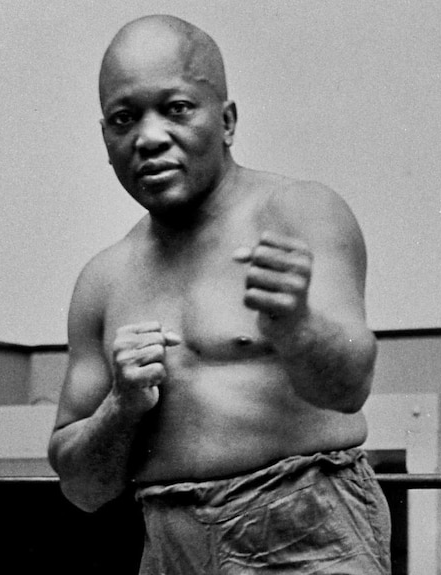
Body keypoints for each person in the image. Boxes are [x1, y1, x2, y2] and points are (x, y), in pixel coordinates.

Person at [48, 14, 391, 574]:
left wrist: (297, 326)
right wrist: (121, 406)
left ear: (227, 120)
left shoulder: (298, 213)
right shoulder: (103, 280)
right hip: (168, 541)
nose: (150, 136)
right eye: (124, 118)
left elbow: (351, 386)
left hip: (300, 526)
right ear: (106, 138)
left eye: (177, 108)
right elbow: (82, 488)